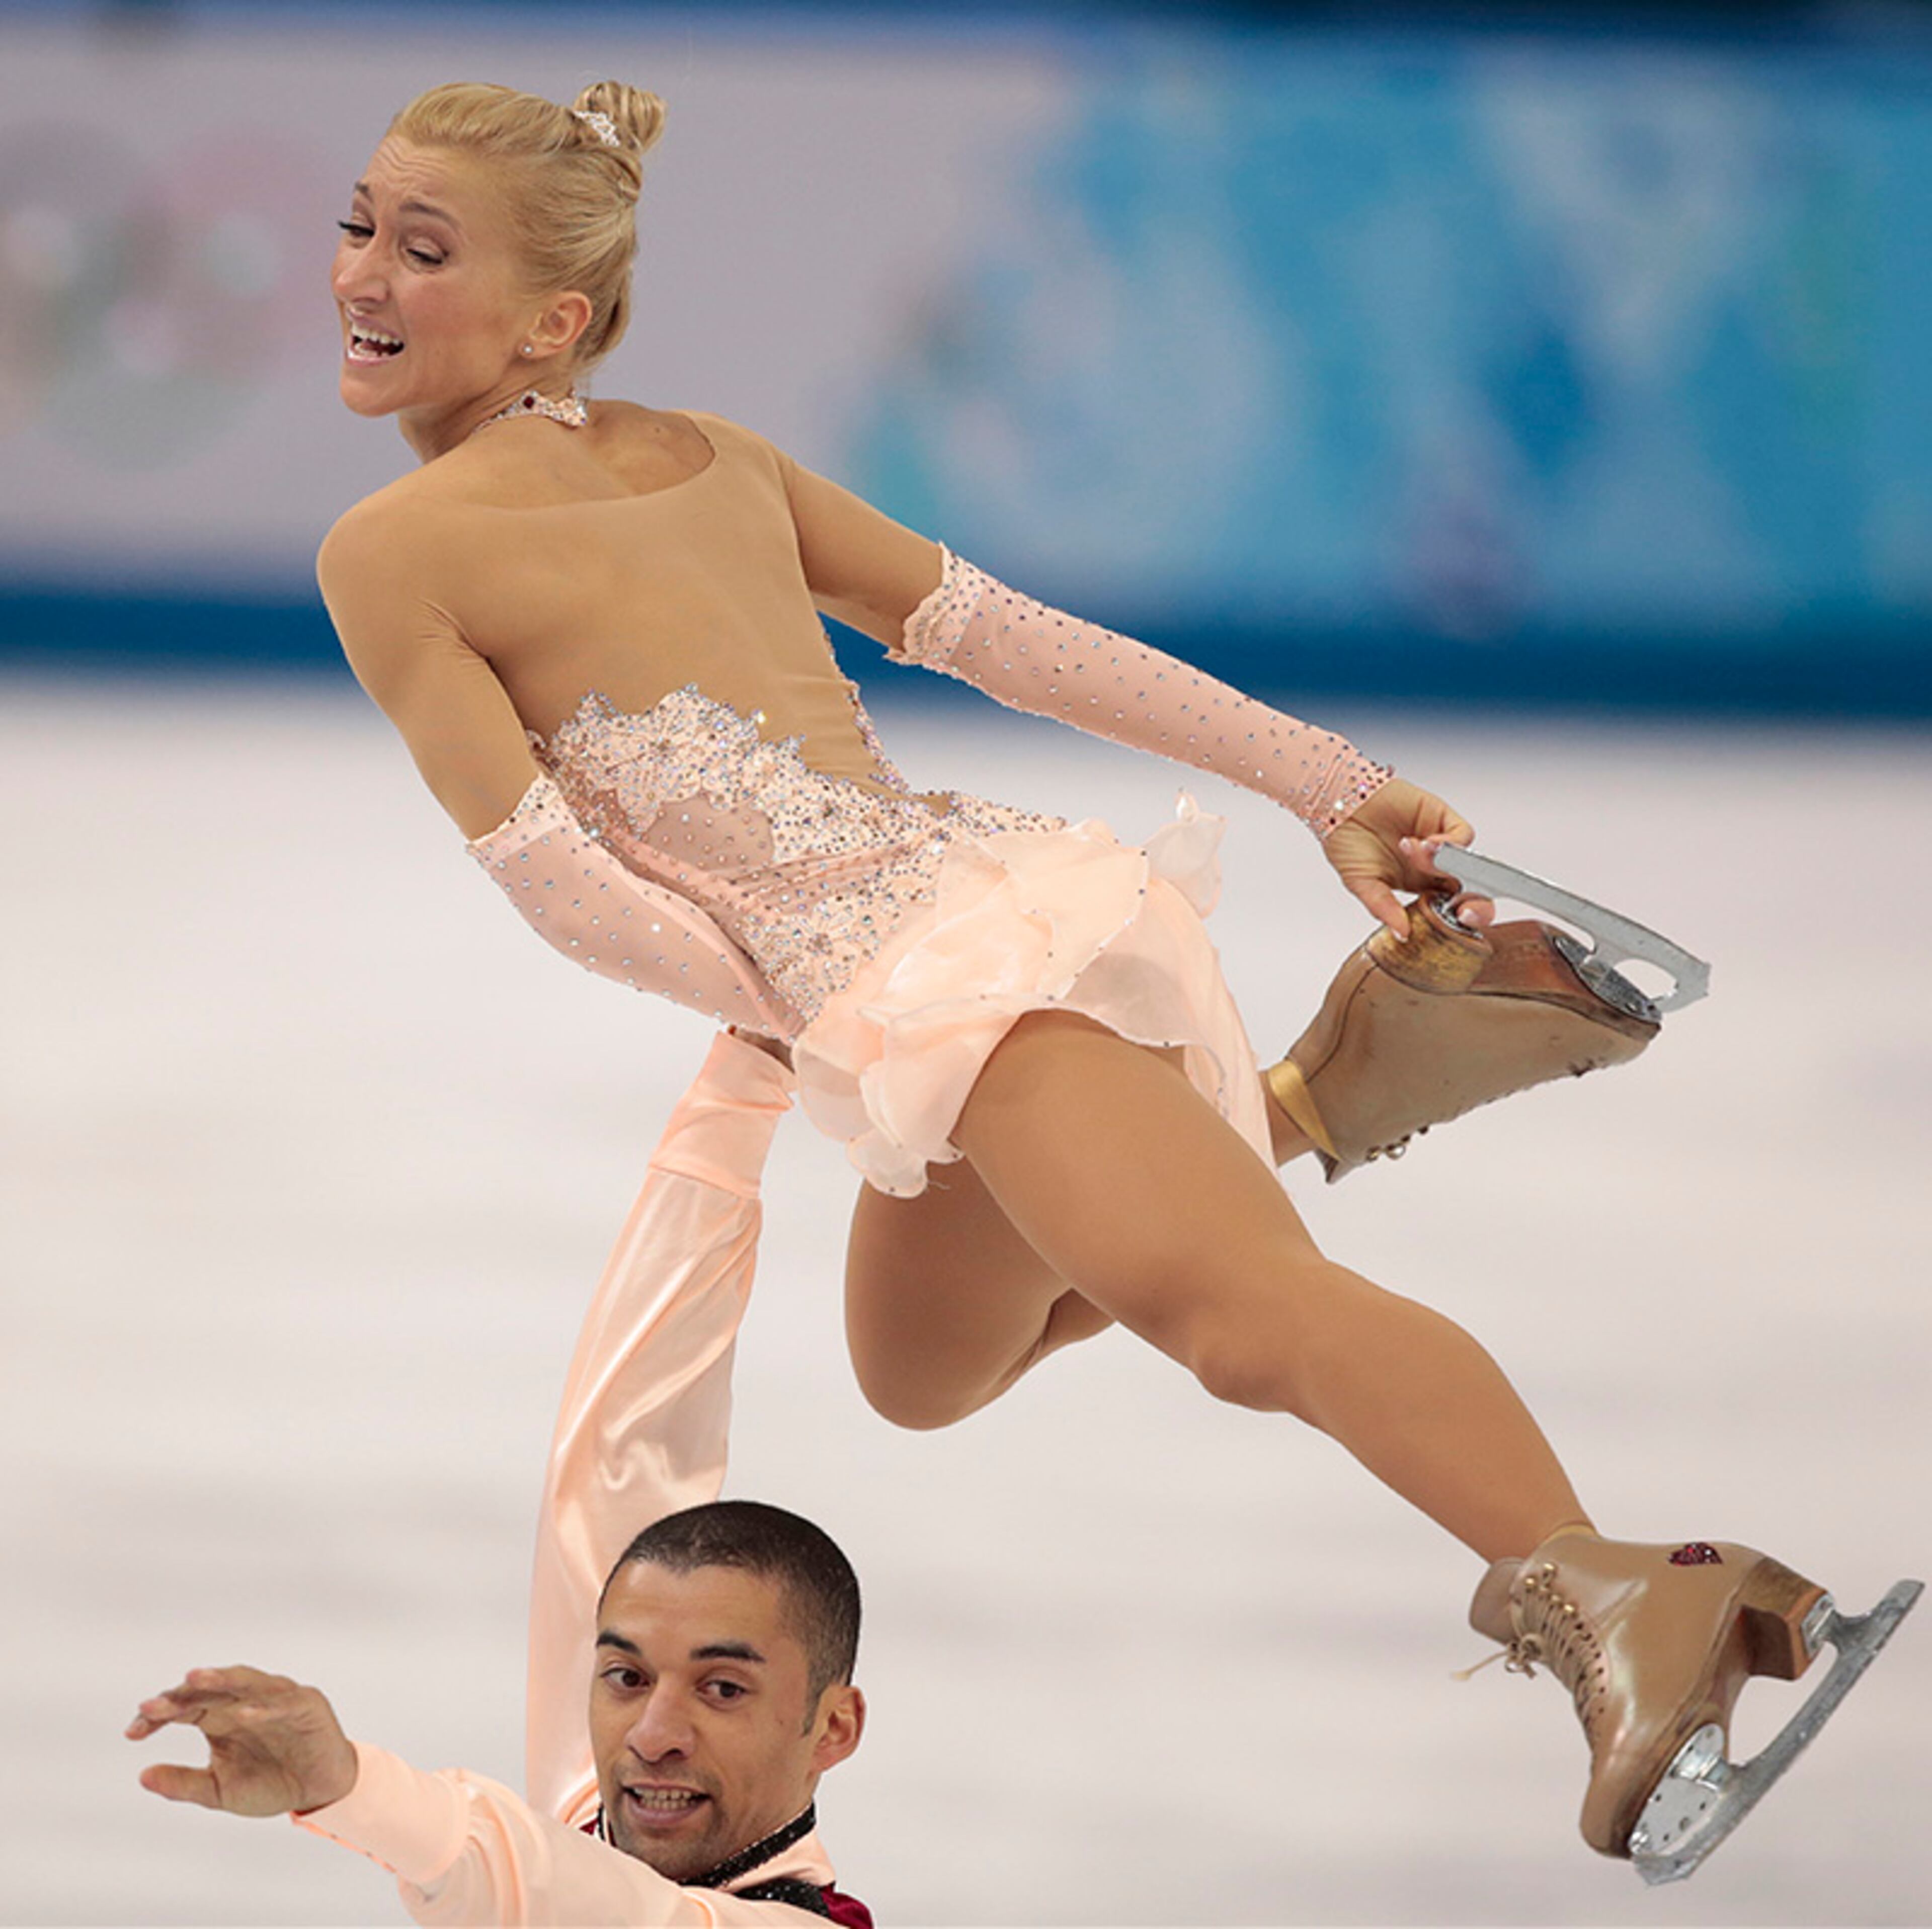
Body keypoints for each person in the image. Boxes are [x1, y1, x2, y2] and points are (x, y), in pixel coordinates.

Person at [305, 78, 1913, 1876]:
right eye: (360, 222)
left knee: (1243, 1319)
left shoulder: (393, 550)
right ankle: (1321, 1093)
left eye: (421, 246)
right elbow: (1024, 651)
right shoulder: (713, 450)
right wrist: (1317, 781)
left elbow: (572, 895)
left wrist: (798, 1001)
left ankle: (1616, 1593)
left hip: (950, 980)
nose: (365, 271)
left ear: (557, 320)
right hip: (950, 953)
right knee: (920, 1368)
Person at [131, 1032, 876, 1925]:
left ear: (832, 1728)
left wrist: (352, 1787)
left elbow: (553, 1887)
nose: (653, 1735)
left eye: (722, 1689)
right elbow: (620, 1445)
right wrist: (747, 1072)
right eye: (626, 1678)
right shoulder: (596, 1819)